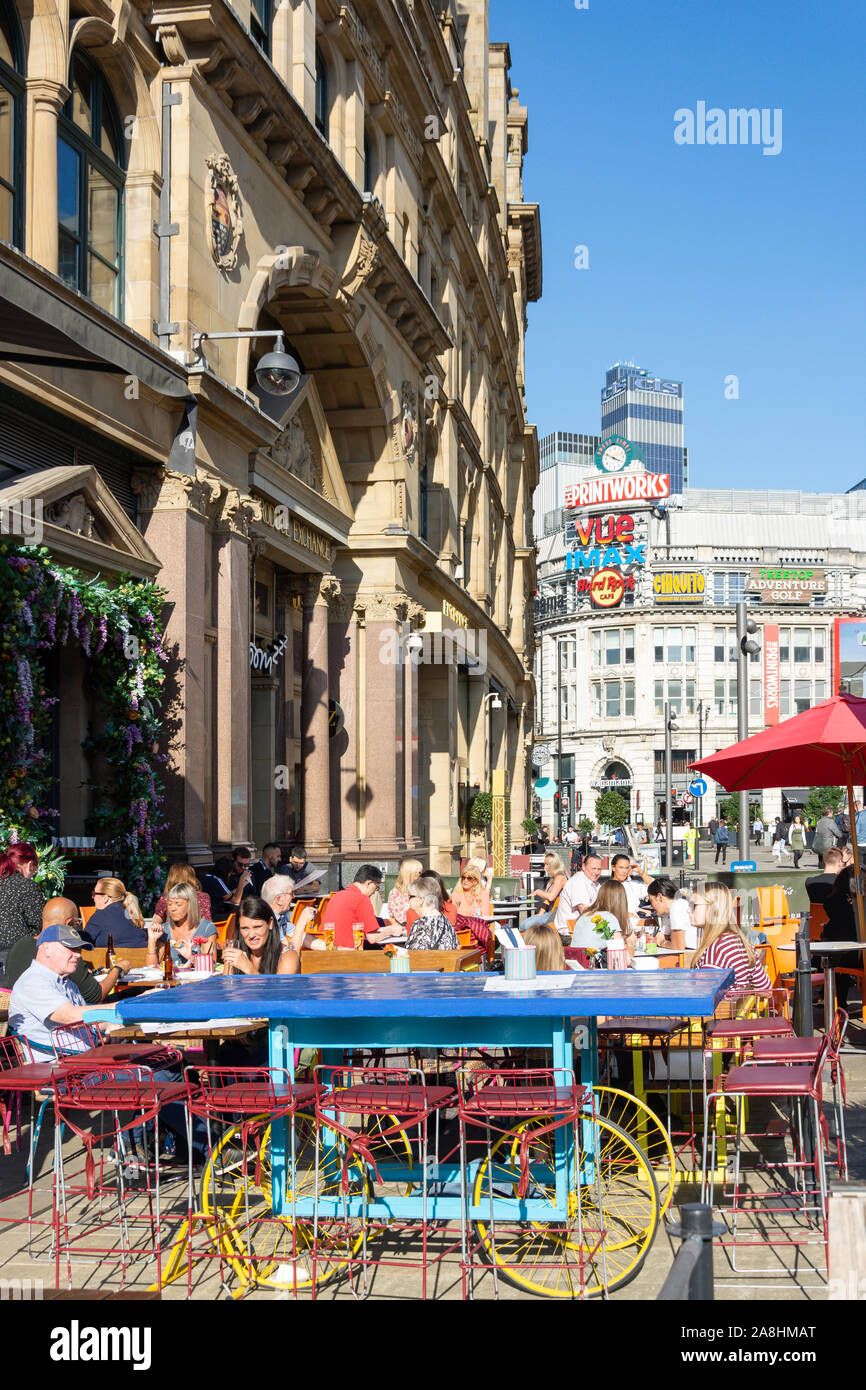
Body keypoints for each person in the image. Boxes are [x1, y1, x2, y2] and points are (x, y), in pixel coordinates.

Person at [7, 897, 131, 1003]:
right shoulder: (65, 950)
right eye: (77, 923)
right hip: (59, 1023)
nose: (77, 928)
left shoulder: (18, 946)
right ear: (69, 923)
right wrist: (117, 969)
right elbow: (95, 996)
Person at [8, 922, 105, 1054]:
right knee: (137, 1071)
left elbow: (90, 1022)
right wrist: (121, 1008)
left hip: (84, 1059)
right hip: (58, 1065)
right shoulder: (33, 981)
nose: (78, 955)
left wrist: (121, 1022)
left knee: (138, 1064)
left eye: (79, 949)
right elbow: (72, 1017)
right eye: (71, 948)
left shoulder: (67, 982)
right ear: (46, 948)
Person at [691, 883, 772, 996]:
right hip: (734, 1012)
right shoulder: (741, 942)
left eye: (693, 905)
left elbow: (702, 998)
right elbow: (766, 990)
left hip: (717, 1013)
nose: (688, 910)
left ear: (712, 908)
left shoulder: (716, 951)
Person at [145, 882, 216, 968]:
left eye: (178, 904)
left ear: (191, 905)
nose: (172, 908)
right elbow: (152, 968)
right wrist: (152, 942)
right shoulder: (165, 930)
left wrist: (191, 958)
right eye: (169, 904)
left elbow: (212, 964)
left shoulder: (206, 928)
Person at [819, 867, 861, 1010]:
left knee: (837, 963)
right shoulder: (861, 903)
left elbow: (832, 931)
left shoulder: (831, 902)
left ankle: (839, 1004)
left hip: (845, 956)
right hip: (860, 955)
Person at [222, 898, 299, 976]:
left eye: (257, 927)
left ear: (270, 923)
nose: (251, 935)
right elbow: (227, 986)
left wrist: (249, 969)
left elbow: (280, 988)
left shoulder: (288, 956)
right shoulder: (236, 953)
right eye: (245, 928)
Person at [320, 865, 388, 949]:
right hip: (351, 953)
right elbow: (372, 937)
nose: (374, 893)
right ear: (369, 883)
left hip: (328, 949)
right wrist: (392, 930)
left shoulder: (336, 896)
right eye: (376, 888)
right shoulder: (362, 899)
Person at [0, 843, 44, 972]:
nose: (35, 872)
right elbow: (40, 924)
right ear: (29, 864)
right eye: (35, 867)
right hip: (13, 955)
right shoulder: (27, 886)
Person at [83, 877, 148, 948]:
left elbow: (83, 944)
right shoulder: (133, 914)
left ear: (105, 898)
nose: (92, 897)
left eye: (94, 893)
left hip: (112, 958)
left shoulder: (100, 916)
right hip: (140, 958)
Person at [260, 875, 319, 951]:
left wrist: (331, 948)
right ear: (279, 899)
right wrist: (302, 921)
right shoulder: (266, 921)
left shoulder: (280, 917)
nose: (294, 896)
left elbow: (304, 938)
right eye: (291, 893)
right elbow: (291, 952)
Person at [569, 879, 631, 952]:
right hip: (592, 962)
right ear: (621, 902)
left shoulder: (584, 916)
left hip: (577, 961)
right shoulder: (609, 918)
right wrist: (631, 944)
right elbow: (621, 957)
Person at [405, 876, 459, 951]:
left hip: (433, 962)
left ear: (421, 900)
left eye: (410, 896)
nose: (408, 899)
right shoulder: (445, 920)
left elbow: (412, 955)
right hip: (448, 962)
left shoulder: (421, 925)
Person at [553, 853, 603, 935]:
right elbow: (584, 911)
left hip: (584, 929)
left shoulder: (596, 884)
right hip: (569, 933)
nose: (596, 872)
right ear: (583, 867)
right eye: (593, 868)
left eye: (599, 869)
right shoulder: (578, 881)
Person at [152, 862, 212, 927]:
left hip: (175, 934)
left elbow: (157, 920)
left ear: (171, 879)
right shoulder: (204, 897)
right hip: (204, 933)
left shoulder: (167, 899)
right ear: (192, 878)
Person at [646, 878, 697, 950]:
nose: (651, 905)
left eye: (651, 900)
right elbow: (662, 937)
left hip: (694, 954)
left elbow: (678, 946)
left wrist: (661, 942)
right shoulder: (668, 912)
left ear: (659, 897)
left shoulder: (677, 906)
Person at [521, 852, 568, 930]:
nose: (545, 868)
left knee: (527, 926)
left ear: (554, 865)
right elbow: (547, 901)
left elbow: (550, 897)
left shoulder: (560, 877)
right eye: (544, 864)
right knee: (523, 924)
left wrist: (538, 891)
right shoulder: (554, 878)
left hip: (556, 914)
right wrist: (539, 914)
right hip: (550, 913)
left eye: (547, 864)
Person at [610, 853, 650, 921]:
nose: (624, 871)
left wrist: (641, 872)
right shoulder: (607, 887)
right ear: (613, 867)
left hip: (635, 923)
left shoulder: (632, 885)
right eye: (621, 867)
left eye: (626, 868)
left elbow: (653, 887)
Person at [387, 858, 424, 927]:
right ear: (409, 873)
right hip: (404, 930)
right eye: (418, 872)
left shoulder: (421, 890)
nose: (420, 875)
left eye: (421, 872)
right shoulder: (396, 893)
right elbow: (401, 917)